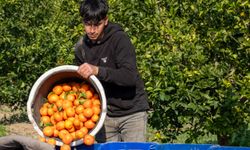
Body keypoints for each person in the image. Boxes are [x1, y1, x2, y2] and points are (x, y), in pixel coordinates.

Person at [75, 0, 150, 142]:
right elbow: (84, 85)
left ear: (105, 21)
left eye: (96, 25)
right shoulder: (81, 48)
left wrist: (98, 70)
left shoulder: (119, 39)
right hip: (104, 115)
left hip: (132, 113)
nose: (91, 30)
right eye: (87, 24)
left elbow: (129, 77)